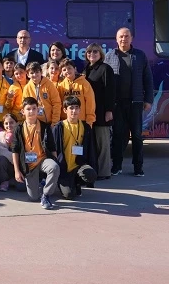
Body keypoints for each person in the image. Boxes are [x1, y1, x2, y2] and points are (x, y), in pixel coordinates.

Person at [104, 27, 153, 177]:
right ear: (116, 39)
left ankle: (138, 167)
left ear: (131, 38)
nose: (123, 39)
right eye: (121, 36)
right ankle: (116, 166)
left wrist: (148, 100)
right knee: (118, 135)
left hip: (136, 103)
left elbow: (148, 79)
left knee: (137, 136)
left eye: (126, 36)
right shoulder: (110, 56)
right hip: (117, 104)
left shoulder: (140, 55)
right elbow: (105, 81)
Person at [10, 97, 60, 209]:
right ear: (23, 111)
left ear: (38, 110)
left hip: (43, 159)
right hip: (29, 165)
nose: (31, 111)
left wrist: (55, 162)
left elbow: (52, 147)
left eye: (34, 108)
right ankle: (41, 183)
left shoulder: (45, 127)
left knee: (54, 167)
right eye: (28, 109)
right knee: (33, 197)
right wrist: (17, 171)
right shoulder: (18, 128)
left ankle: (46, 194)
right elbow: (15, 150)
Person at [52, 96, 97, 199]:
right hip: (64, 167)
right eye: (71, 108)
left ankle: (77, 182)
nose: (74, 111)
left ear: (80, 110)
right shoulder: (59, 127)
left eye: (76, 108)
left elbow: (91, 149)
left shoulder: (85, 127)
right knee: (69, 195)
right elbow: (53, 150)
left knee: (91, 174)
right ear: (65, 110)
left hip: (78, 165)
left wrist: (92, 165)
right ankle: (63, 182)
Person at [84, 43, 116, 180]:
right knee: (93, 144)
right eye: (89, 52)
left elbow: (110, 91)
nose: (92, 54)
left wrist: (109, 110)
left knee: (102, 144)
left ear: (100, 54)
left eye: (95, 52)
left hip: (102, 112)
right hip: (89, 112)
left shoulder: (105, 69)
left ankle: (104, 172)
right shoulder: (87, 69)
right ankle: (95, 170)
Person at [57, 58, 97, 126]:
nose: (67, 71)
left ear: (75, 69)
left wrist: (90, 120)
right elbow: (58, 103)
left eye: (69, 68)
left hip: (82, 121)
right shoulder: (61, 86)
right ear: (62, 73)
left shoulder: (84, 83)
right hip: (66, 122)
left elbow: (90, 102)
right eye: (64, 70)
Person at [22, 61, 62, 125]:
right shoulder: (27, 88)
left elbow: (56, 103)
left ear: (41, 72)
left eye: (37, 72)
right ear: (28, 75)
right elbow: (25, 106)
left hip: (49, 122)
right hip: (34, 123)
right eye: (32, 73)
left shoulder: (49, 85)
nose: (35, 75)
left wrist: (54, 122)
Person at [0, 113, 18, 192]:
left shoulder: (21, 134)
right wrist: (15, 158)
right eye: (6, 123)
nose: (9, 125)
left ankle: (11, 181)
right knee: (1, 159)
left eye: (11, 123)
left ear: (16, 123)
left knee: (22, 188)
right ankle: (4, 181)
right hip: (8, 166)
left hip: (19, 166)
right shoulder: (1, 135)